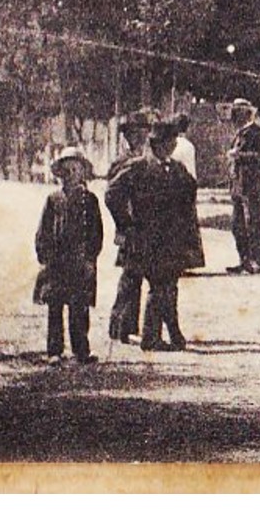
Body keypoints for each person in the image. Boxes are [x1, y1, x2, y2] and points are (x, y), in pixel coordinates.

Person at [107, 118, 198, 350]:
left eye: (174, 142)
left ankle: (168, 334)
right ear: (155, 143)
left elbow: (190, 194)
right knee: (157, 287)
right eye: (167, 142)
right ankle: (151, 337)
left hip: (170, 240)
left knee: (168, 287)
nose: (172, 146)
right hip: (145, 238)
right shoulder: (139, 167)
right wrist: (126, 223)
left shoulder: (178, 169)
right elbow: (112, 194)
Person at [33, 148, 105, 364]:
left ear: (83, 172)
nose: (71, 174)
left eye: (76, 169)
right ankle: (54, 350)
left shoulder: (89, 201)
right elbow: (43, 231)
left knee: (79, 307)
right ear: (60, 174)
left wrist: (91, 258)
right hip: (57, 261)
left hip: (80, 260)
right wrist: (44, 257)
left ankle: (81, 350)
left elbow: (96, 233)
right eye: (67, 170)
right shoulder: (53, 200)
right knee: (55, 306)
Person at [105, 108, 155, 343]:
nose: (141, 137)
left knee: (139, 272)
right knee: (130, 275)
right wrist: (124, 222)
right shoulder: (123, 162)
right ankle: (120, 325)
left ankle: (130, 325)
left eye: (144, 132)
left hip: (146, 226)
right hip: (130, 226)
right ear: (129, 136)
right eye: (136, 133)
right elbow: (112, 195)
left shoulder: (149, 159)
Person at [226, 98, 260, 275]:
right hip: (238, 185)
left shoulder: (259, 134)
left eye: (236, 114)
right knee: (237, 225)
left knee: (252, 223)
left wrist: (240, 155)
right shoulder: (239, 134)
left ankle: (257, 261)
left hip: (251, 185)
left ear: (245, 114)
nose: (233, 117)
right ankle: (244, 260)